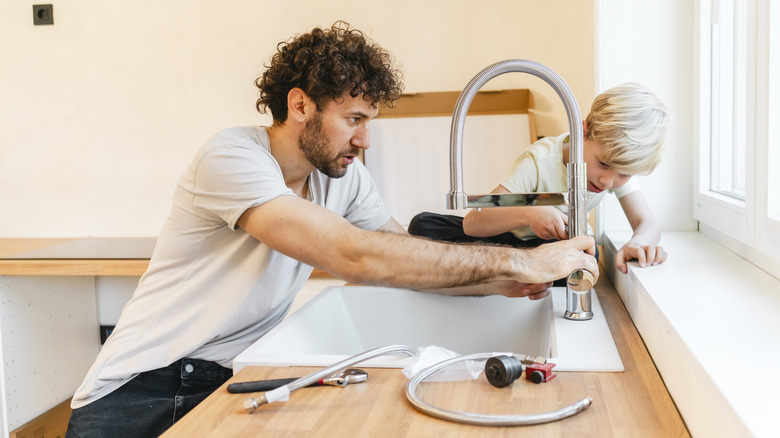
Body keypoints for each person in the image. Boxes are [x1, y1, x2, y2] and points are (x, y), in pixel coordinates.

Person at [65, 22, 597, 438]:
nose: (365, 139)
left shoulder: (344, 179)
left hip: (228, 381)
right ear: (300, 105)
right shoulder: (230, 157)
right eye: (354, 119)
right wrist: (516, 260)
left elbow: (402, 259)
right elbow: (356, 256)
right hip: (140, 393)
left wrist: (506, 285)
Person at [409, 83, 669, 275]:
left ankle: (521, 273)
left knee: (587, 255)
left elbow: (647, 223)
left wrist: (639, 243)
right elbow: (474, 222)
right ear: (583, 132)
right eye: (604, 164)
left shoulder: (616, 168)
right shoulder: (539, 160)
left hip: (547, 252)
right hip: (504, 241)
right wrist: (529, 213)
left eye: (624, 174)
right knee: (423, 226)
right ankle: (517, 271)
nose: (608, 181)